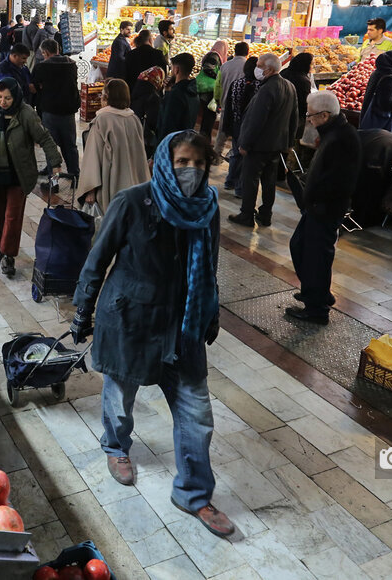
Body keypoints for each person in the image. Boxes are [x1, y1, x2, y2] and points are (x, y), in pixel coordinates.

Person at [71, 130, 235, 539]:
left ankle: (193, 494)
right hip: (132, 319)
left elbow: (209, 263)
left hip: (183, 326)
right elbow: (98, 258)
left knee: (197, 414)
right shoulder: (132, 202)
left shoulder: (207, 206)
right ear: (164, 163)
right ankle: (116, 447)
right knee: (120, 397)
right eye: (182, 162)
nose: (191, 170)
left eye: (199, 163)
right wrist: (83, 310)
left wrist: (210, 311)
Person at [286, 92, 361, 324]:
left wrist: (317, 201)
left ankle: (316, 310)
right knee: (300, 246)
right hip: (317, 207)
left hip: (325, 209)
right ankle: (317, 293)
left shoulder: (342, 139)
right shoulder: (333, 133)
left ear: (325, 115)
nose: (309, 119)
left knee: (316, 258)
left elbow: (339, 181)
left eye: (311, 115)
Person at [0, 78, 62, 277]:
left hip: (18, 175)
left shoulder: (26, 114)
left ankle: (8, 254)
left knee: (12, 218)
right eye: (0, 97)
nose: (3, 102)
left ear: (15, 97)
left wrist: (55, 163)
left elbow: (44, 137)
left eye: (7, 98)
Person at [228, 52, 296, 228]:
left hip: (259, 145)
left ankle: (247, 214)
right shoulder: (290, 87)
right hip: (276, 145)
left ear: (269, 69)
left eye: (259, 66)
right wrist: (289, 143)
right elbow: (294, 118)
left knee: (250, 180)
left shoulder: (267, 89)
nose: (256, 69)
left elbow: (256, 120)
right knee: (269, 181)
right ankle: (266, 215)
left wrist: (245, 143)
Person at [78, 79, 150, 215]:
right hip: (134, 184)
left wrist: (90, 190)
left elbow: (93, 157)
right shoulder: (134, 119)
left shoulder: (102, 121)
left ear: (107, 98)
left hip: (111, 182)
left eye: (102, 95)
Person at [31, 38, 81, 183]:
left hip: (50, 111)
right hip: (69, 111)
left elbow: (34, 87)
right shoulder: (71, 64)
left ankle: (53, 182)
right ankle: (75, 175)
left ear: (46, 52)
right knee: (70, 145)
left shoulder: (42, 67)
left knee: (50, 146)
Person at [221, 57, 260, 195]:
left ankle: (230, 181)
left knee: (236, 153)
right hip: (251, 127)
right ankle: (240, 188)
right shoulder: (260, 86)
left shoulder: (236, 84)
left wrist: (227, 127)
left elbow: (228, 107)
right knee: (247, 157)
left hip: (236, 125)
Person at [213, 42, 250, 155]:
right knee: (239, 133)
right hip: (242, 106)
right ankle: (236, 155)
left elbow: (217, 85)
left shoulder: (225, 65)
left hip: (225, 103)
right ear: (247, 52)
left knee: (222, 132)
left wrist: (218, 100)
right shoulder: (248, 66)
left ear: (235, 51)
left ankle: (216, 155)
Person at [359, 49, 392, 133]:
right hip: (380, 124)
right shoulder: (390, 78)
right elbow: (387, 102)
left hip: (369, 120)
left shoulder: (377, 73)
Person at [131, 66, 166, 158]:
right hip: (145, 143)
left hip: (131, 138)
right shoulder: (153, 99)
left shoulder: (135, 93)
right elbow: (155, 122)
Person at [280, 52, 314, 137]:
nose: (312, 67)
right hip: (294, 116)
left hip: (280, 113)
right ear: (305, 65)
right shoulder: (303, 81)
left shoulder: (283, 72)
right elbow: (303, 102)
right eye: (311, 64)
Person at [193, 51, 221, 138]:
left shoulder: (212, 56)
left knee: (207, 116)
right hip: (208, 91)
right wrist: (217, 77)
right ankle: (204, 137)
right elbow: (207, 68)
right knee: (209, 116)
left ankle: (203, 136)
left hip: (205, 90)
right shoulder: (214, 56)